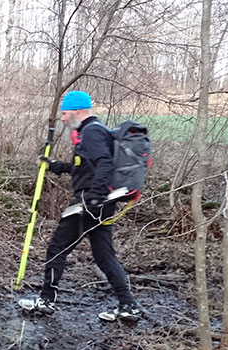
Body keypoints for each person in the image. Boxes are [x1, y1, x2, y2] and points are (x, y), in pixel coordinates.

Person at [18, 91, 141, 322]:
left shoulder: (92, 132)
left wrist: (93, 199)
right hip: (104, 204)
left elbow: (104, 164)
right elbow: (85, 168)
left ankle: (46, 301)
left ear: (76, 110)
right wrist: (55, 166)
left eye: (64, 113)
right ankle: (128, 306)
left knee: (58, 248)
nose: (63, 119)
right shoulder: (95, 132)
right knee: (104, 256)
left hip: (89, 203)